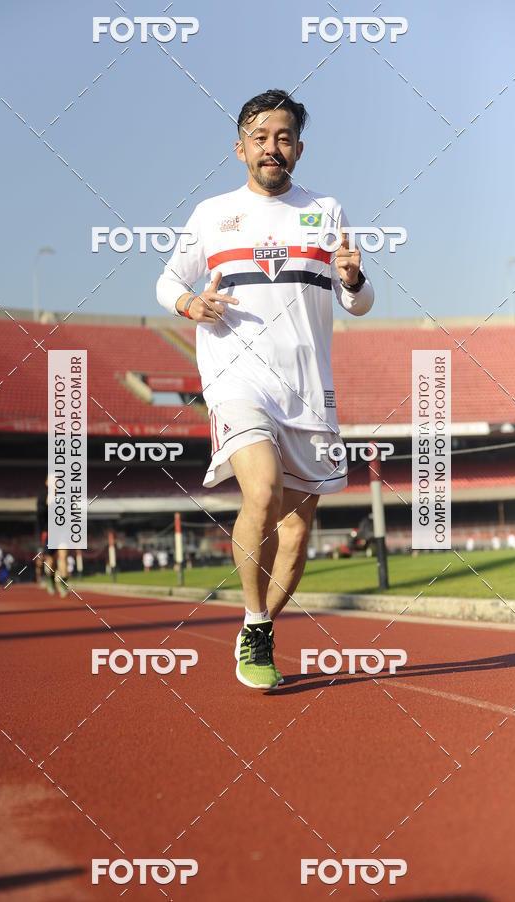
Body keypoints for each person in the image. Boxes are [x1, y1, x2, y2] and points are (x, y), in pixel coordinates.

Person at [157, 88, 374, 689]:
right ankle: (255, 619)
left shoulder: (326, 210)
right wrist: (189, 302)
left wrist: (354, 279)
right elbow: (167, 282)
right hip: (237, 379)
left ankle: (260, 626)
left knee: (299, 531)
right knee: (263, 491)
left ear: (298, 149)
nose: (271, 148)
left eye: (283, 138)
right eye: (260, 138)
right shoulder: (211, 214)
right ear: (240, 149)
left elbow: (359, 303)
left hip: (309, 390)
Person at [36, 477, 69, 598]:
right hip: (49, 532)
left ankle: (63, 583)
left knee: (63, 556)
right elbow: (40, 516)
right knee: (50, 561)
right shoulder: (43, 496)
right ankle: (50, 579)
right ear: (46, 482)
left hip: (63, 531)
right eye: (52, 481)